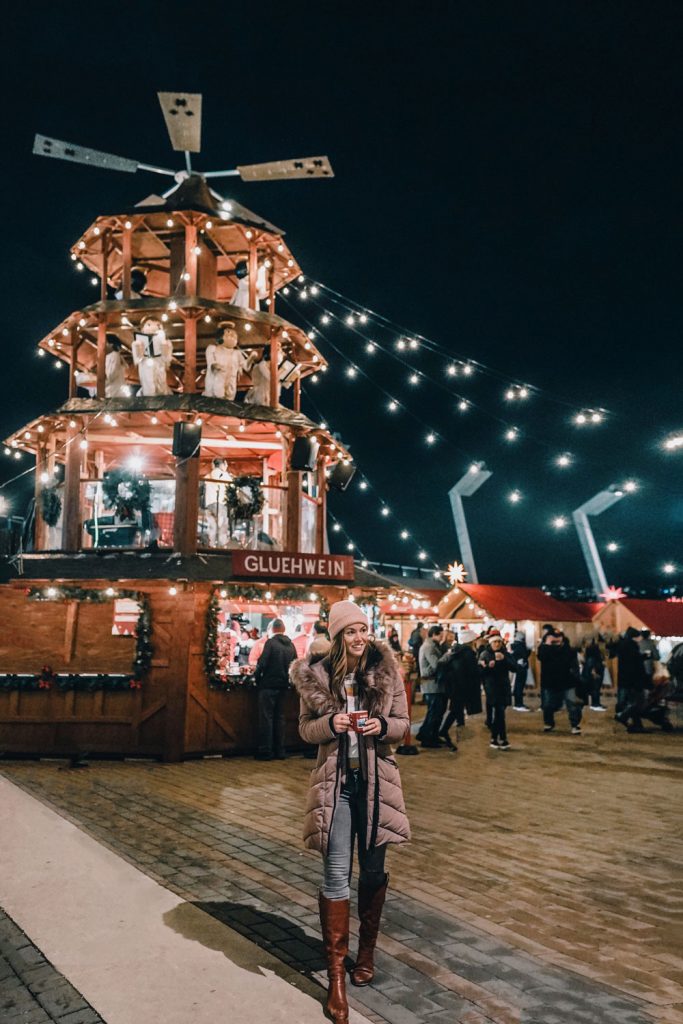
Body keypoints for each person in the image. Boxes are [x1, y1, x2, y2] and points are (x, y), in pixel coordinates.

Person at [290, 601, 410, 1024]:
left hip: (377, 787)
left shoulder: (386, 671)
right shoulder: (317, 677)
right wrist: (332, 725)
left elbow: (403, 724)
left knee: (373, 871)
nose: (359, 638)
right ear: (338, 636)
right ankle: (336, 977)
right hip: (335, 788)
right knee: (335, 875)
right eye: (350, 632)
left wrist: (383, 727)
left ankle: (367, 951)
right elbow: (305, 729)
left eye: (364, 629)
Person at [253, 618, 296, 760]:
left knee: (267, 718)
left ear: (272, 629)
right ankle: (280, 750)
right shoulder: (291, 645)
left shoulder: (270, 643)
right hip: (283, 686)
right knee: (280, 718)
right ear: (283, 629)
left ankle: (266, 751)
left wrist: (258, 679)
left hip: (268, 685)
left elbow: (262, 663)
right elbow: (295, 666)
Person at [436, 628, 482, 749]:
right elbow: (472, 672)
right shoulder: (468, 654)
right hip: (462, 687)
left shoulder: (457, 652)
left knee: (456, 709)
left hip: (454, 686)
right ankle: (444, 730)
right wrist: (481, 668)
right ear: (472, 641)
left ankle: (453, 730)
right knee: (456, 709)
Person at [538, 629, 583, 735]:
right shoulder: (545, 649)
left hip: (567, 681)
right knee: (548, 704)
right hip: (549, 682)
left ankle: (575, 724)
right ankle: (548, 723)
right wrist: (547, 644)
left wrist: (576, 678)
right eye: (553, 639)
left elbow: (573, 664)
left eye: (558, 638)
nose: (556, 641)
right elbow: (541, 656)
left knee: (572, 704)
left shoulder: (568, 650)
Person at [478, 630, 516, 749]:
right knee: (500, 712)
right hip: (492, 687)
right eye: (495, 642)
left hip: (504, 686)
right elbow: (480, 672)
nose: (497, 644)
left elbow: (515, 668)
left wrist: (504, 659)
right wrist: (488, 667)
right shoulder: (485, 654)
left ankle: (496, 738)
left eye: (499, 642)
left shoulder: (505, 653)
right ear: (490, 643)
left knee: (500, 713)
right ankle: (501, 738)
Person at [416, 625, 447, 747]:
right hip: (432, 685)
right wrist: (447, 656)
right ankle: (428, 739)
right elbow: (436, 665)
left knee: (434, 712)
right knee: (435, 712)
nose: (442, 637)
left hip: (434, 685)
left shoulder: (432, 646)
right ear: (434, 634)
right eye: (440, 635)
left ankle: (427, 734)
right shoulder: (429, 647)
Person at [203, 323, 252, 400]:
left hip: (230, 387)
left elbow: (246, 366)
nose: (233, 336)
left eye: (235, 335)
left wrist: (251, 358)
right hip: (214, 387)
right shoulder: (212, 348)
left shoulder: (237, 353)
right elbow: (211, 362)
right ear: (220, 336)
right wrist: (215, 366)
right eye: (229, 333)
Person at [615, 626, 648, 733]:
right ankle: (623, 715)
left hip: (625, 679)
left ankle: (637, 725)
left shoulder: (624, 645)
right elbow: (635, 664)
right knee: (638, 702)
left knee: (633, 701)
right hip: (633, 680)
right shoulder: (632, 647)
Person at [132, 317, 172, 396]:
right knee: (148, 383)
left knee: (161, 383)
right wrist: (139, 348)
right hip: (146, 364)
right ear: (143, 328)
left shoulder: (166, 342)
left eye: (158, 325)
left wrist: (164, 346)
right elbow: (138, 358)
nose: (154, 327)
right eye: (149, 324)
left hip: (159, 365)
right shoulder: (137, 342)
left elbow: (167, 358)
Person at [203, 458, 231, 547]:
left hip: (208, 504)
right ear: (223, 464)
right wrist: (225, 470)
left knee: (212, 526)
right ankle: (222, 546)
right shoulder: (224, 475)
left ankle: (211, 545)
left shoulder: (207, 476)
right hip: (220, 503)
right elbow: (231, 485)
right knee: (222, 525)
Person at [581, 636, 606, 710]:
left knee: (596, 689)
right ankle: (595, 704)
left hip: (596, 671)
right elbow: (592, 664)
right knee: (595, 689)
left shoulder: (591, 649)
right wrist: (594, 672)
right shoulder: (594, 650)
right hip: (595, 672)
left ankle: (596, 703)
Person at [509, 630, 530, 710]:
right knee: (519, 686)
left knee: (518, 686)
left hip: (517, 667)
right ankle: (519, 704)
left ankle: (518, 704)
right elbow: (525, 655)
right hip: (521, 667)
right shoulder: (520, 645)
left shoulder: (513, 645)